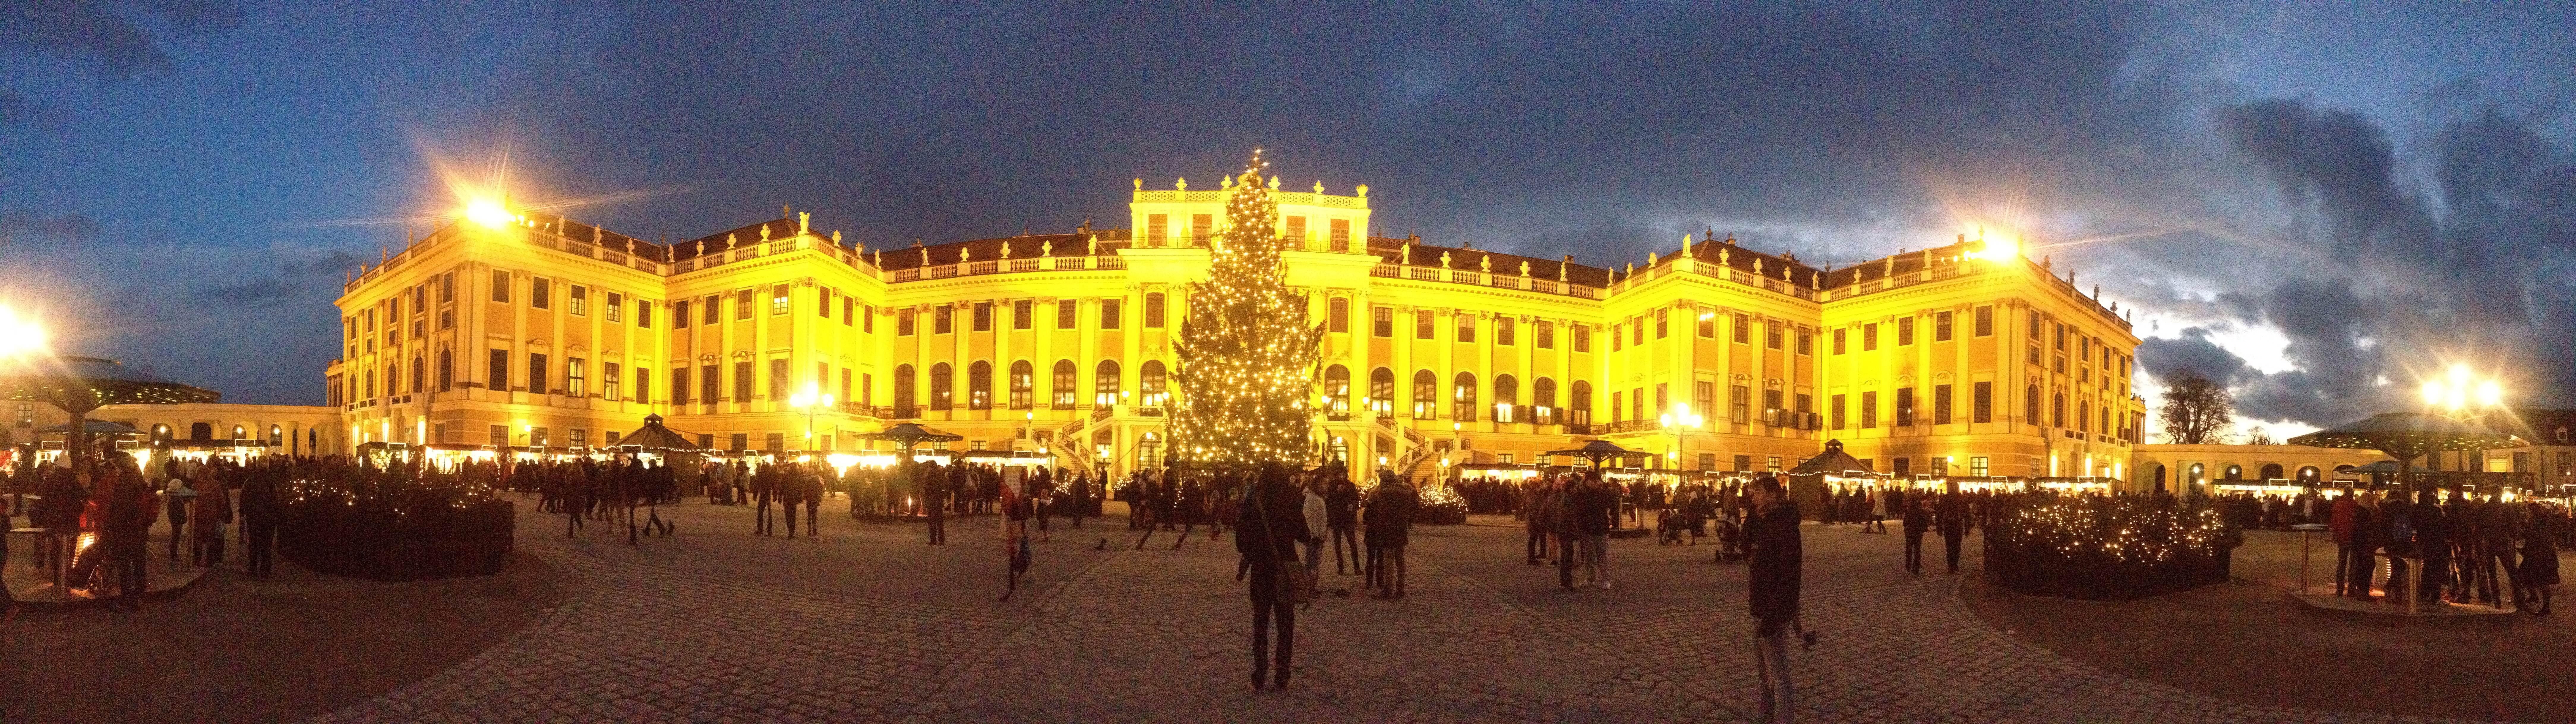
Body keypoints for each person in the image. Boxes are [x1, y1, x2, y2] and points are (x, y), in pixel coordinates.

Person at [1235, 464, 1304, 690]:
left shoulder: (1255, 501)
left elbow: (1241, 540)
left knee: (1261, 623)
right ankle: (1282, 674)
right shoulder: (1291, 499)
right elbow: (1304, 534)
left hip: (1262, 569)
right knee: (1286, 625)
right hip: (1285, 568)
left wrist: (1255, 548)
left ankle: (1260, 672)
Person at [1745, 475, 1803, 723]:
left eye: (1757, 492)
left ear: (1772, 494)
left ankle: (1785, 718)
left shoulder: (1784, 525)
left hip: (1774, 607)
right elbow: (1746, 543)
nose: (1753, 497)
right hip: (1761, 603)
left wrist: (1780, 611)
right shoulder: (1764, 520)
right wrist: (1753, 518)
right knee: (1763, 669)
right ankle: (1768, 713)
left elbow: (1790, 573)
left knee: (1779, 671)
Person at [1370, 472, 1416, 598]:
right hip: (1401, 529)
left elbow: (1371, 500)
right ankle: (1401, 588)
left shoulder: (1383, 493)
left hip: (1388, 529)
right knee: (1400, 561)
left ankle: (1388, 588)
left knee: (1388, 561)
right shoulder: (1405, 492)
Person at [238, 465, 281, 578]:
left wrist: (243, 513)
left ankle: (253, 569)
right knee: (267, 545)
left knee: (254, 543)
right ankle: (265, 571)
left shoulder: (251, 480)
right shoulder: (272, 480)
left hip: (254, 517)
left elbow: (244, 497)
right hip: (268, 518)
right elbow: (276, 499)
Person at [1578, 472, 1614, 589]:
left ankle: (1606, 579)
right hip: (1588, 529)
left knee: (1602, 555)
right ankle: (1591, 578)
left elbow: (1608, 504)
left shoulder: (1602, 493)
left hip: (1600, 528)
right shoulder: (1583, 493)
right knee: (1589, 555)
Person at [190, 476, 231, 567]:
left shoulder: (196, 486)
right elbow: (222, 501)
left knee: (198, 539)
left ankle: (197, 560)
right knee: (211, 538)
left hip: (199, 515)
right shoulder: (216, 485)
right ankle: (210, 561)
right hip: (212, 516)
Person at [1330, 477, 1363, 575]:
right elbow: (1330, 501)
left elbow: (1356, 499)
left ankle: (1357, 568)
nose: (1341, 476)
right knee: (1338, 545)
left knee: (1353, 543)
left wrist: (1353, 505)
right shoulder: (1333, 486)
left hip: (1347, 518)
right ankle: (1341, 567)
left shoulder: (1351, 486)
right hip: (1337, 519)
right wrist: (1337, 493)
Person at [1301, 477, 1328, 578]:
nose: (1327, 486)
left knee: (1314, 562)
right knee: (1313, 562)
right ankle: (1310, 585)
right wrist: (1315, 536)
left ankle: (1311, 585)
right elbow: (1310, 518)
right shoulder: (1314, 499)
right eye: (1325, 484)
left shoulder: (1317, 498)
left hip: (1317, 536)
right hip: (1314, 538)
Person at [162, 476, 193, 560]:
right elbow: (179, 511)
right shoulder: (175, 499)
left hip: (175, 520)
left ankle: (174, 554)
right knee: (176, 536)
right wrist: (183, 519)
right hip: (177, 520)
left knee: (176, 536)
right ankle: (173, 554)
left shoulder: (173, 498)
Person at [1936, 493, 1968, 575]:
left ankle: (1951, 565)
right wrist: (1968, 529)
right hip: (1957, 525)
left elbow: (1939, 514)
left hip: (1949, 525)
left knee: (1950, 546)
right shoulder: (1961, 500)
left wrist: (1939, 528)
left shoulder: (1945, 500)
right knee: (1957, 546)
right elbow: (1967, 514)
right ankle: (1954, 564)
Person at [1901, 497, 1930, 576]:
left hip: (1910, 533)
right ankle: (1916, 569)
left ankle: (1908, 567)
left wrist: (1907, 527)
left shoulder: (1909, 511)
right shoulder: (1921, 512)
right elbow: (1925, 523)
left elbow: (1905, 522)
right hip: (1918, 533)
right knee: (1917, 551)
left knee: (1909, 550)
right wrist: (1923, 529)